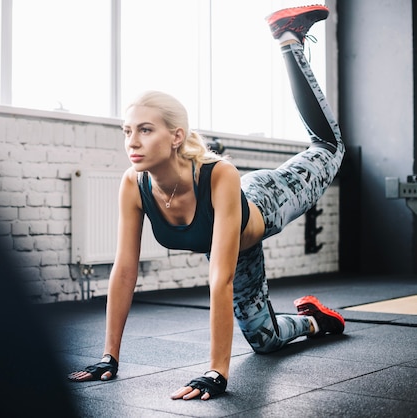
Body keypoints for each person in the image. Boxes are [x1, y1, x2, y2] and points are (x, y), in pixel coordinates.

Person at [68, 4, 345, 401]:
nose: (132, 141)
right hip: (236, 245)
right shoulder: (134, 184)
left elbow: (220, 278)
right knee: (265, 340)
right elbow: (125, 270)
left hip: (264, 201)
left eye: (145, 130)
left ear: (176, 136)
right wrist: (108, 357)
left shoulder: (219, 174)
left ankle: (290, 40)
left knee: (329, 146)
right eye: (127, 130)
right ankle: (316, 322)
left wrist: (217, 370)